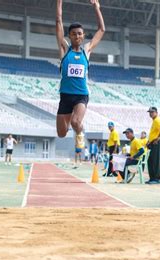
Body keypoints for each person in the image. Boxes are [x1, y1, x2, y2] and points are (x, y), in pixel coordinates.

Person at [55, 0, 105, 152]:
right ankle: (71, 121)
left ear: (83, 36)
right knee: (61, 133)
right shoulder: (65, 48)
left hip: (81, 96)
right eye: (74, 34)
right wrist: (59, 3)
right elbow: (58, 20)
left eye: (80, 33)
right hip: (65, 96)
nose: (77, 36)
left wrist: (97, 8)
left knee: (76, 122)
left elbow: (101, 30)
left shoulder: (86, 51)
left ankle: (80, 132)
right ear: (69, 36)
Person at [146, 107, 160, 184]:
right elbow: (153, 133)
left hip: (157, 143)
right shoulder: (154, 121)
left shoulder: (157, 120)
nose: (151, 113)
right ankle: (152, 178)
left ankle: (156, 179)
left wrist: (157, 138)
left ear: (156, 113)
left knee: (156, 161)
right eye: (150, 112)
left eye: (152, 112)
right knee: (150, 161)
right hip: (153, 143)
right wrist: (149, 141)